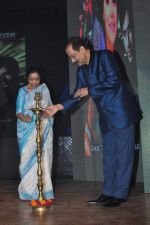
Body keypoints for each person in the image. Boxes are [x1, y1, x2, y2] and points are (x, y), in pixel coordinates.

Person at [44, 37, 142, 207]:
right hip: (106, 117)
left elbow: (114, 80)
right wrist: (59, 107)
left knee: (123, 157)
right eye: (70, 58)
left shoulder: (105, 56)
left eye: (73, 56)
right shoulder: (82, 71)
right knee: (109, 158)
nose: (73, 61)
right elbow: (77, 93)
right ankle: (108, 193)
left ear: (83, 49)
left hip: (122, 114)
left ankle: (119, 194)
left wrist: (89, 89)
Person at [16, 67, 54, 201]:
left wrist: (44, 116)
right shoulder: (22, 91)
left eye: (37, 79)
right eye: (31, 79)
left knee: (42, 157)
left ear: (40, 79)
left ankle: (44, 190)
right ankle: (28, 190)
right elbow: (18, 111)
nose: (34, 82)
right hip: (26, 129)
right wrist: (23, 117)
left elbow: (48, 108)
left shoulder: (43, 90)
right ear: (27, 79)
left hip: (42, 126)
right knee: (26, 160)